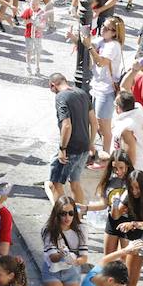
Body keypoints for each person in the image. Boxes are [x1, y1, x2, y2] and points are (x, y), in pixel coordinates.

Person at [47, 74, 96, 205]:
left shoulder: (61, 97)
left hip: (71, 149)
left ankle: (63, 216)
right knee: (75, 183)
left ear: (53, 85)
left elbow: (66, 125)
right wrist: (91, 143)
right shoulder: (82, 93)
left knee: (55, 184)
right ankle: (79, 216)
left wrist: (62, 149)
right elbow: (94, 122)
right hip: (84, 147)